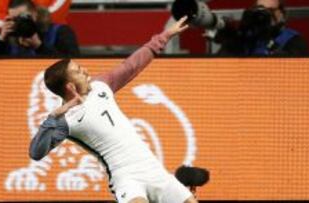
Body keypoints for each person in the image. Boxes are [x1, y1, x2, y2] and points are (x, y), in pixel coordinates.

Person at [29, 16, 197, 203]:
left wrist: (165, 36)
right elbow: (36, 153)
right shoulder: (65, 121)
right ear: (70, 86)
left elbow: (132, 65)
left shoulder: (101, 85)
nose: (84, 70)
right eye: (77, 70)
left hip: (154, 170)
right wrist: (52, 117)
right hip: (126, 178)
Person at [0, 0, 79, 57]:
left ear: (35, 13)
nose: (20, 22)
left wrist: (39, 46)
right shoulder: (6, 34)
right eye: (15, 19)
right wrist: (0, 40)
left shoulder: (60, 32)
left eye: (23, 17)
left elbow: (72, 66)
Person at [215, 0, 308, 56]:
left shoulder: (292, 40)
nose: (265, 15)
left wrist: (272, 45)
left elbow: (294, 72)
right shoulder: (245, 38)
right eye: (261, 10)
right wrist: (234, 39)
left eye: (271, 10)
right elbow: (222, 66)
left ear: (282, 14)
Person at [0, 0, 71, 30]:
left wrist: (33, 21)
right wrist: (17, 24)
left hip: (51, 32)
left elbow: (58, 10)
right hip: (14, 36)